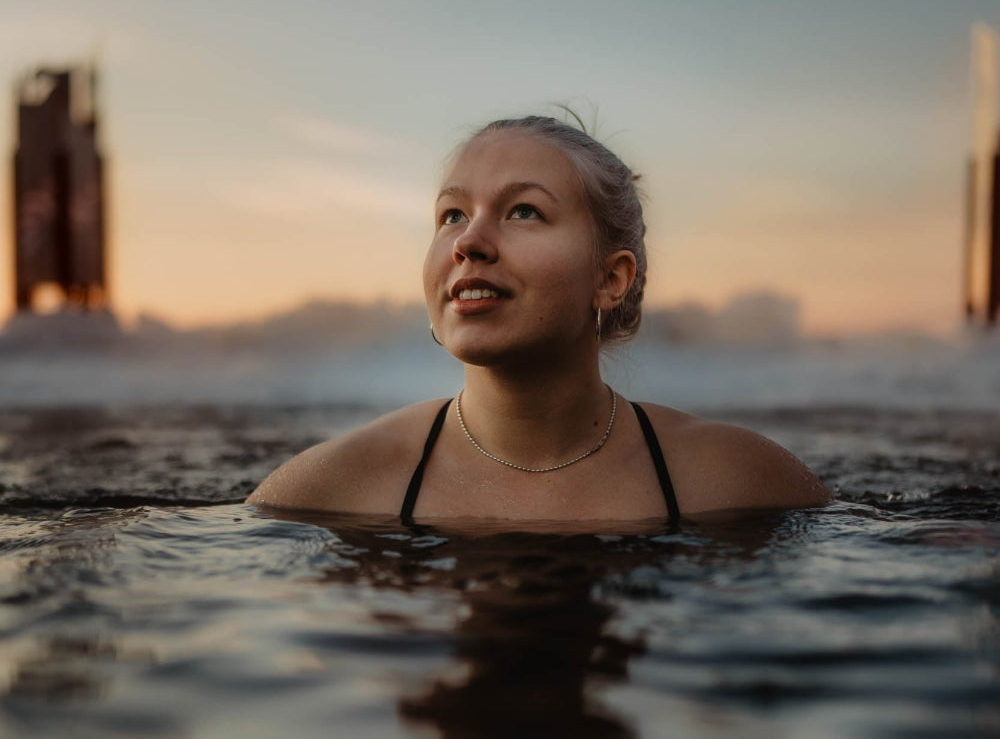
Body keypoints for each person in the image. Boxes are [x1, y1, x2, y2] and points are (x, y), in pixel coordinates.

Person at [247, 115, 830, 525]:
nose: (468, 242)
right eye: (451, 214)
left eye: (523, 210)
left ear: (610, 278)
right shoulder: (332, 488)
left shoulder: (736, 480)